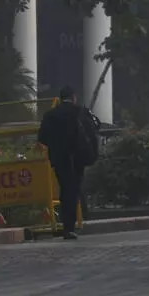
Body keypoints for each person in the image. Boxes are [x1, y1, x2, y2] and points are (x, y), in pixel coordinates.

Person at [36, 87, 99, 240]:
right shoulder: (81, 112)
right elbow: (93, 131)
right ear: (73, 98)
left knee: (65, 189)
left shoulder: (50, 115)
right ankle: (70, 226)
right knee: (74, 189)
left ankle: (67, 225)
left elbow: (42, 137)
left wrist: (56, 146)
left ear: (60, 98)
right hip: (78, 158)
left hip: (59, 159)